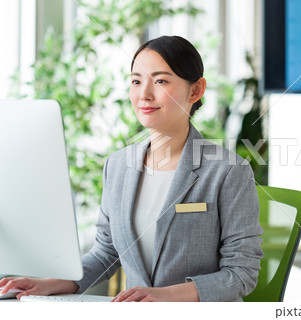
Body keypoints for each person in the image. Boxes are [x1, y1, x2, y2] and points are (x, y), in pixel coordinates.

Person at [0, 35, 263, 302]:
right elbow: (106, 252)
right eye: (136, 81)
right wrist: (49, 284)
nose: (144, 95)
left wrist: (164, 297)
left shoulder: (228, 171)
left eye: (160, 81)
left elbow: (241, 273)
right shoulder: (117, 165)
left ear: (195, 90)